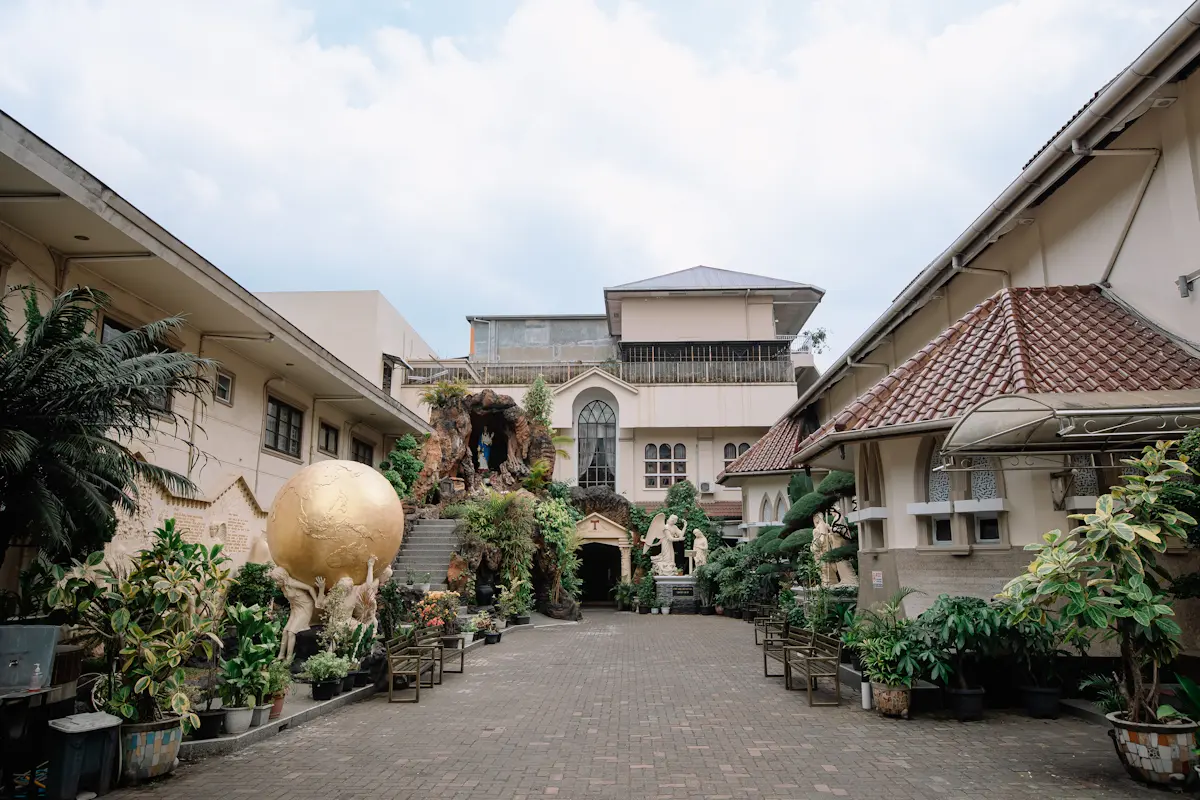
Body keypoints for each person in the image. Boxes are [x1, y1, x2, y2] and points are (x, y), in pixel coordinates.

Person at [272, 566, 319, 661]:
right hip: (295, 608)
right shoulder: (283, 586)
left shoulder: (292, 583)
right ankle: (281, 655)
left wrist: (316, 601)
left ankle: (289, 658)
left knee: (291, 632)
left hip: (305, 607)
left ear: (283, 578)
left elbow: (310, 588)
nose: (276, 583)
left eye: (277, 581)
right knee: (285, 631)